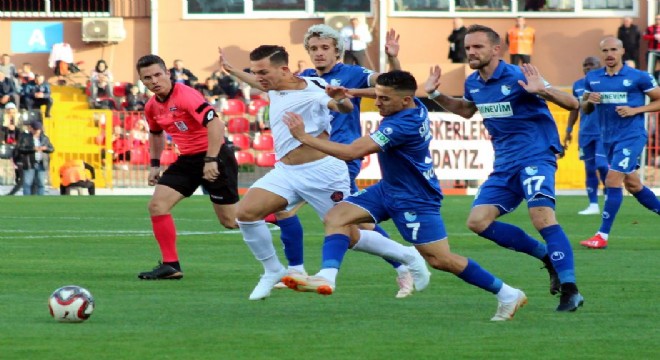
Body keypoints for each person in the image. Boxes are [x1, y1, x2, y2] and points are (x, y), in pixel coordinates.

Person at [282, 70, 526, 321]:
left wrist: (303, 137)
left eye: (383, 99)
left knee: (440, 260)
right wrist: (353, 92)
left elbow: (351, 152)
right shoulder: (411, 103)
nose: (377, 103)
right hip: (389, 188)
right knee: (336, 217)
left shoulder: (402, 125)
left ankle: (507, 293)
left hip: (415, 198)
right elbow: (392, 89)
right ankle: (327, 276)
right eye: (377, 97)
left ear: (405, 100)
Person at [220, 45, 430, 301]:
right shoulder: (273, 86)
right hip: (286, 171)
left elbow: (343, 107)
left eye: (263, 72)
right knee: (246, 214)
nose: (259, 78)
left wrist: (340, 99)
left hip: (323, 173)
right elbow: (261, 82)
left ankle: (407, 255)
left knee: (350, 236)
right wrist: (232, 70)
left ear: (284, 69)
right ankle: (273, 270)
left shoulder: (312, 87)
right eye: (255, 72)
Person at [424, 24, 584, 312]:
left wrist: (544, 91)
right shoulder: (473, 82)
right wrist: (435, 95)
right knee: (477, 221)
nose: (470, 52)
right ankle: (547, 257)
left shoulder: (519, 75)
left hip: (536, 155)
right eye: (468, 47)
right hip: (505, 162)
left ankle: (570, 290)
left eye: (477, 47)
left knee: (542, 218)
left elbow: (573, 102)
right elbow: (465, 110)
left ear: (496, 50)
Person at [263, 24, 416, 298]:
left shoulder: (354, 73)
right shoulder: (306, 78)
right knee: (285, 211)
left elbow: (392, 85)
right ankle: (296, 269)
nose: (319, 53)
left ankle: (404, 264)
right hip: (307, 161)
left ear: (337, 51)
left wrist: (392, 58)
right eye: (313, 49)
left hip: (340, 159)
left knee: (358, 223)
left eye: (325, 48)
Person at [135, 54, 239, 280]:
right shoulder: (152, 106)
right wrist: (155, 165)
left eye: (157, 75)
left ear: (167, 74)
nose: (154, 80)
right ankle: (171, 265)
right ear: (142, 82)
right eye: (147, 78)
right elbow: (155, 134)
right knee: (157, 205)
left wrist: (211, 160)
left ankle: (277, 215)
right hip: (188, 160)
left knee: (230, 221)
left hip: (216, 155)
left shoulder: (186, 95)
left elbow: (216, 124)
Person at [579, 37, 660, 249]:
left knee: (612, 180)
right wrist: (589, 101)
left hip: (631, 136)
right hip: (608, 139)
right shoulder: (593, 78)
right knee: (633, 185)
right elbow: (585, 108)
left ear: (622, 51)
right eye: (605, 50)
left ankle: (601, 236)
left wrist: (635, 110)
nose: (609, 54)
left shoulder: (638, 77)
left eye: (614, 49)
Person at [563, 56, 608, 215]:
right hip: (585, 133)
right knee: (589, 168)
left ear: (599, 66)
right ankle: (593, 205)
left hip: (603, 133)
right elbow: (574, 109)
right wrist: (568, 131)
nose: (588, 67)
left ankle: (609, 198)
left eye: (592, 65)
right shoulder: (578, 85)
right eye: (585, 65)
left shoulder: (606, 82)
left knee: (602, 165)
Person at [17, 121, 54, 196]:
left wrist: (45, 148)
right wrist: (33, 149)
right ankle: (27, 200)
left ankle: (40, 200)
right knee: (27, 183)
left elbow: (52, 149)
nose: (38, 131)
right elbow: (21, 149)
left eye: (39, 129)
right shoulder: (25, 138)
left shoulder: (45, 138)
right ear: (32, 129)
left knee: (41, 183)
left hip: (41, 163)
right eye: (36, 129)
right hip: (30, 163)